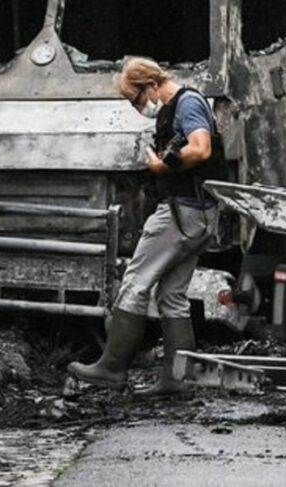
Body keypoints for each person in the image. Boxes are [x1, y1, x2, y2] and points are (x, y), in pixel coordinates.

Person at [67, 57, 226, 396]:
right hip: (199, 214)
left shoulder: (187, 103)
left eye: (137, 100)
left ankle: (111, 366)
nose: (139, 107)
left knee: (135, 282)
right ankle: (177, 379)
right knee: (172, 295)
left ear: (151, 85)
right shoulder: (183, 107)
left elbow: (200, 149)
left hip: (181, 212)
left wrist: (161, 167)